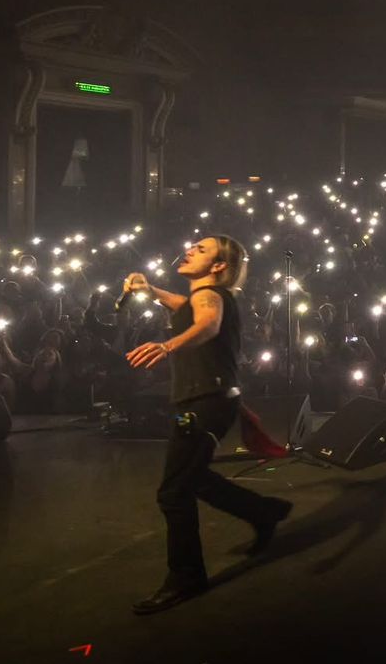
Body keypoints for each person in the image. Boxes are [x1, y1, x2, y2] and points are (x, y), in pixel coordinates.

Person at [124, 236, 292, 616]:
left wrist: (167, 346)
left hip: (205, 402)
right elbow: (184, 306)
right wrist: (150, 290)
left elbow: (207, 324)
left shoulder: (212, 298)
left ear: (218, 266)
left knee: (173, 492)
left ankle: (186, 576)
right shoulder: (201, 297)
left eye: (202, 250)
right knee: (194, 478)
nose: (189, 250)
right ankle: (263, 511)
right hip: (205, 401)